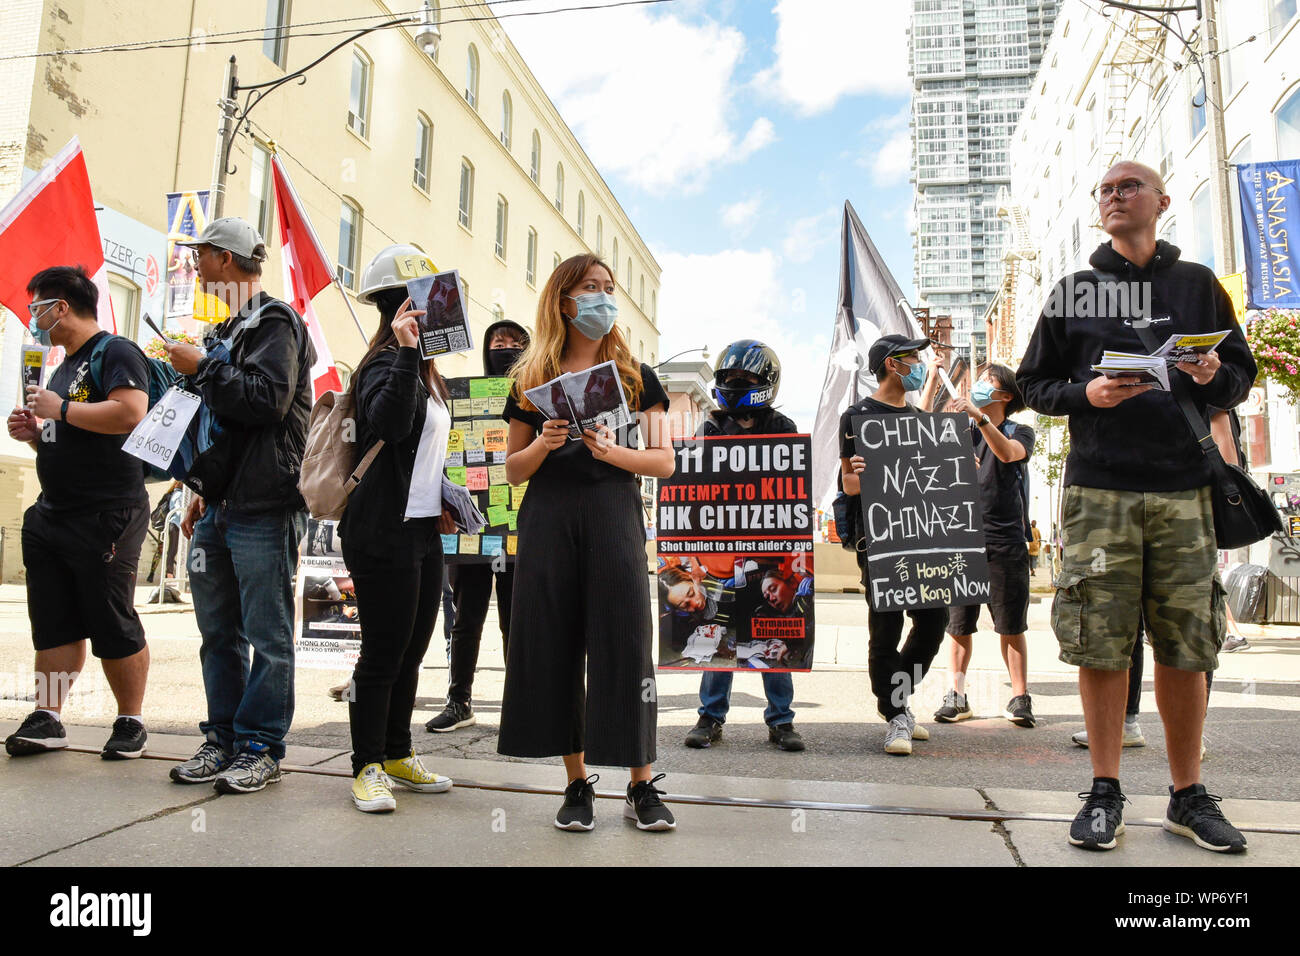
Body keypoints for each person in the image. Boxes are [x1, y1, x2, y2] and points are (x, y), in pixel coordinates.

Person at [1017, 160, 1255, 853]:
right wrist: (1082, 396)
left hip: (1184, 486)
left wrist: (1215, 374)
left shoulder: (1199, 286)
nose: (1114, 197)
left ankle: (1187, 795)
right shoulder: (1075, 292)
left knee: (1188, 642)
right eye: (1106, 191)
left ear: (1162, 201)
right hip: (1099, 488)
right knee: (1101, 637)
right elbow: (1034, 384)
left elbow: (1239, 376)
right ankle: (1104, 789)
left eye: (1128, 187)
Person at [498, 253, 676, 832]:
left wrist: (612, 452)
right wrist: (544, 445)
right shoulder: (529, 378)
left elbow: (665, 462)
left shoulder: (637, 375)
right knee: (553, 643)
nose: (603, 297)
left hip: (612, 512)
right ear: (564, 300)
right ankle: (576, 783)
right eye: (590, 288)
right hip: (549, 520)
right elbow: (513, 471)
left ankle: (640, 785)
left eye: (608, 287)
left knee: (625, 642)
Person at [168, 217, 315, 794]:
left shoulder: (276, 321)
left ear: (225, 259)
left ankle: (260, 746)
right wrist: (198, 488)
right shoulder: (229, 328)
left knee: (267, 634)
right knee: (217, 631)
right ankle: (222, 738)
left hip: (265, 504)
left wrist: (203, 367)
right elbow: (217, 426)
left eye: (200, 256)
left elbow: (267, 401)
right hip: (221, 504)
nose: (195, 267)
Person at [4, 266, 151, 760]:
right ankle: (49, 717)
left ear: (60, 307)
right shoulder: (62, 365)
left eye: (36, 307)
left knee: (111, 620)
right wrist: (36, 429)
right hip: (53, 513)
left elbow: (130, 412)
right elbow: (69, 427)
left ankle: (130, 721)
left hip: (107, 513)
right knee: (55, 621)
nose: (33, 317)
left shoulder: (116, 351)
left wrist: (59, 409)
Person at [335, 244, 458, 813]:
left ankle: (396, 752)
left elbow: (425, 450)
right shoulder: (387, 362)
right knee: (381, 654)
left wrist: (446, 494)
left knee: (410, 651)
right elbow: (387, 424)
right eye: (424, 302)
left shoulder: (428, 371)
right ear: (399, 307)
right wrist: (407, 353)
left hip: (421, 528)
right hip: (382, 530)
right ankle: (365, 768)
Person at [682, 340, 806, 753]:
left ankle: (781, 720)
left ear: (765, 383)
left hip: (767, 551)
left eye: (745, 379)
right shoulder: (711, 428)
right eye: (729, 378)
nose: (735, 384)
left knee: (772, 631)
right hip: (722, 552)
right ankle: (710, 716)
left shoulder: (783, 427)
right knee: (722, 634)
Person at [840, 334, 946, 756]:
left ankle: (895, 699)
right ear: (890, 364)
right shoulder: (858, 416)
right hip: (881, 540)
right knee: (886, 626)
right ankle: (897, 714)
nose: (918, 365)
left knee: (933, 623)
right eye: (912, 358)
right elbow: (848, 483)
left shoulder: (922, 419)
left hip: (924, 538)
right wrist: (866, 475)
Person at [426, 316, 531, 733]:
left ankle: (519, 703)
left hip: (518, 532)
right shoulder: (459, 398)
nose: (504, 347)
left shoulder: (535, 398)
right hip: (471, 532)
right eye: (497, 341)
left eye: (514, 341)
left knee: (514, 619)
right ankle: (459, 700)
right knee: (466, 618)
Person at [936, 364, 1037, 728]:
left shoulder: (1019, 431)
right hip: (961, 538)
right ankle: (957, 695)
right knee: (959, 624)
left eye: (986, 381)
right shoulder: (959, 431)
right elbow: (920, 435)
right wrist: (934, 379)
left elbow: (1009, 454)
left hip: (1005, 540)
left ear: (1006, 396)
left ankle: (1020, 696)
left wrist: (980, 418)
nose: (977, 386)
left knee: (1010, 625)